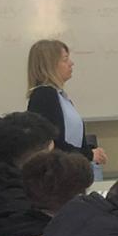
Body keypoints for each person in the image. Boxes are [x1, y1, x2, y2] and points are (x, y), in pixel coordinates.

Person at [26, 38, 110, 178]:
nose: (71, 63)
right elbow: (53, 142)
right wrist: (89, 154)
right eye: (65, 60)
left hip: (70, 170)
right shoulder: (44, 95)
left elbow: (72, 139)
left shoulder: (59, 95)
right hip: (59, 175)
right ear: (50, 65)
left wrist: (91, 151)